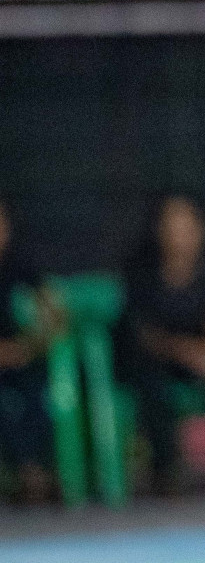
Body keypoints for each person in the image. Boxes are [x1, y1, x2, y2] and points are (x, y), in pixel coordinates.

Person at [124, 194, 205, 494]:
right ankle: (164, 470)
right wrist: (184, 351)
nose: (179, 231)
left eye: (186, 223)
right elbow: (143, 334)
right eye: (171, 223)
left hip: (201, 358)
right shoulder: (140, 271)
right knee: (148, 380)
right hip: (156, 358)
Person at [0, 200, 54, 504]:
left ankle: (36, 470)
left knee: (38, 394)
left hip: (18, 359)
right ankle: (24, 470)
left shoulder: (19, 264)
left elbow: (54, 311)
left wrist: (33, 344)